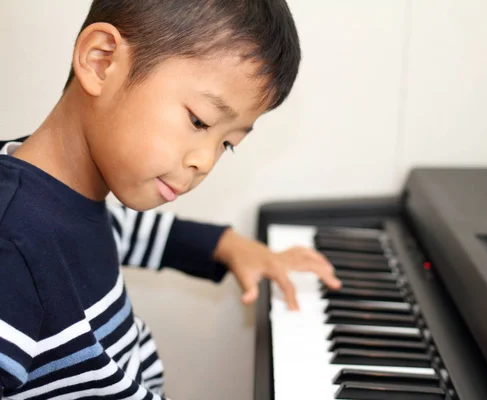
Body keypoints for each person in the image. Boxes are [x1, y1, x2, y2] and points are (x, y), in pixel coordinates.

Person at [0, 1, 341, 398]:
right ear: (101, 62)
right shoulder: (12, 242)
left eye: (227, 145)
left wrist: (228, 246)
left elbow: (125, 231)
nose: (204, 162)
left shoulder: (62, 196)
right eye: (199, 121)